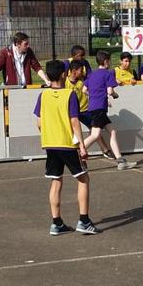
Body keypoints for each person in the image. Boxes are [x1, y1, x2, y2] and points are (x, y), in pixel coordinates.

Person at [33, 59, 96, 235]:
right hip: (68, 144)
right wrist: (82, 145)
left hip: (50, 144)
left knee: (56, 180)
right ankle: (84, 220)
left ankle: (56, 222)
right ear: (63, 74)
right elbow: (74, 121)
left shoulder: (43, 95)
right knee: (83, 178)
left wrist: (49, 132)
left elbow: (38, 122)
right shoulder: (69, 94)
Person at [81, 51, 136, 171]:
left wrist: (94, 96)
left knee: (113, 131)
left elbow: (84, 90)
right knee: (95, 134)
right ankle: (78, 153)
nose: (110, 63)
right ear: (106, 62)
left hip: (94, 108)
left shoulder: (92, 74)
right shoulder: (107, 74)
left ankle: (120, 161)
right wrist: (115, 95)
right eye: (109, 60)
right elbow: (110, 91)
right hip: (100, 108)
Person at [68, 59, 114, 160]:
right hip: (72, 112)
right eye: (81, 70)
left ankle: (105, 150)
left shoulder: (82, 82)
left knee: (95, 130)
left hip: (85, 110)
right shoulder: (66, 83)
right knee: (81, 133)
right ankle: (77, 151)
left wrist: (102, 98)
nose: (83, 72)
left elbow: (89, 91)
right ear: (74, 70)